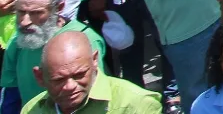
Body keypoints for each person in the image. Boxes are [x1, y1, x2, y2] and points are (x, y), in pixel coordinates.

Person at [0, 0, 105, 112]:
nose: (25, 22)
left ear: (59, 8)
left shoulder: (85, 41)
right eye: (20, 12)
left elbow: (95, 96)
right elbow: (10, 96)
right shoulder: (17, 42)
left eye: (36, 13)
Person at [20, 30, 161, 114]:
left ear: (94, 61)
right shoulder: (32, 110)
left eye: (79, 75)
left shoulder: (137, 104)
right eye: (58, 80)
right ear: (40, 77)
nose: (70, 86)